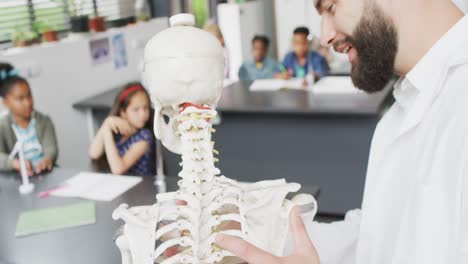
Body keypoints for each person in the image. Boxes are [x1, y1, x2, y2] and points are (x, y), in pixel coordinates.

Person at [217, 0, 468, 263]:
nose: (325, 36)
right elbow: (377, 236)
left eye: (331, 7)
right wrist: (260, 234)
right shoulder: (400, 113)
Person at [0, 63, 58, 176]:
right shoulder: (2, 126)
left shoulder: (44, 121)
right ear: (6, 102)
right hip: (18, 179)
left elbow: (51, 148)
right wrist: (15, 164)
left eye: (29, 96)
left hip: (45, 174)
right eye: (20, 99)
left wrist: (47, 160)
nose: (27, 103)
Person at [89, 82, 156, 176]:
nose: (143, 114)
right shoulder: (117, 131)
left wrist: (107, 130)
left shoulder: (145, 136)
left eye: (145, 108)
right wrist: (106, 123)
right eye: (136, 109)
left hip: (142, 188)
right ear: (123, 112)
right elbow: (94, 153)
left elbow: (118, 169)